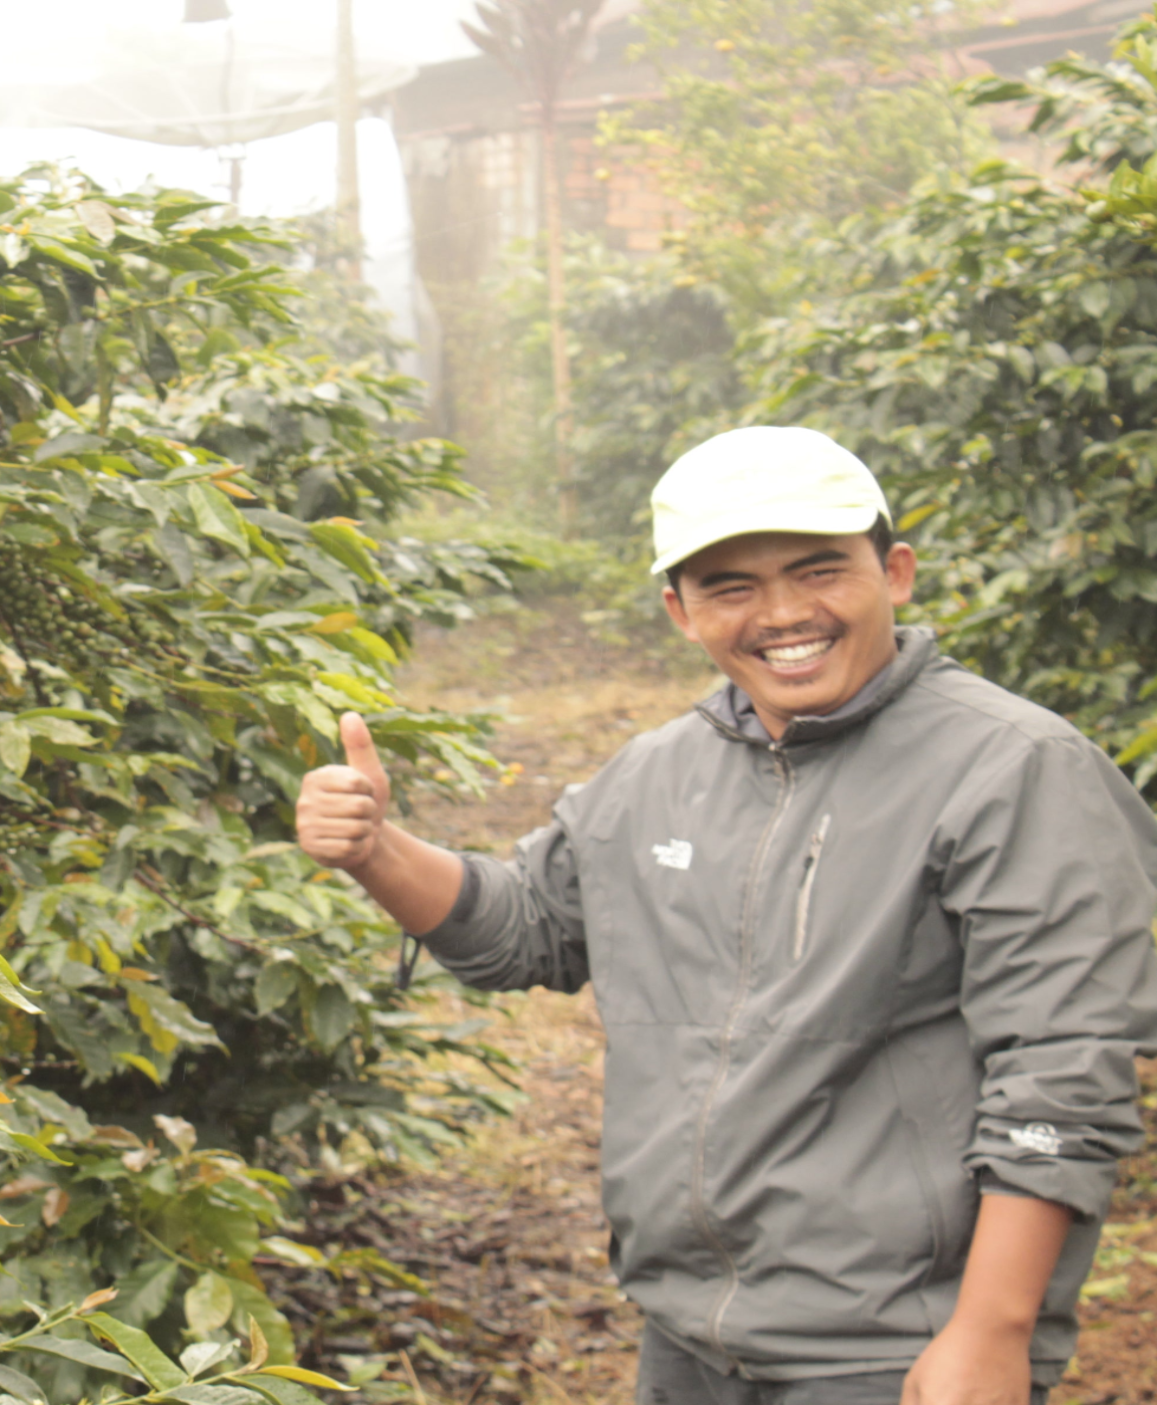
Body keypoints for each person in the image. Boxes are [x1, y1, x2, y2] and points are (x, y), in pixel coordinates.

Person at [296, 426, 1157, 1405]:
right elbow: (528, 924)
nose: (784, 612)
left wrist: (990, 1330)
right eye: (729, 585)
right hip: (689, 1334)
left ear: (896, 572)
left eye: (818, 569)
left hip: (893, 1349)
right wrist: (376, 849)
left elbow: (1059, 1076)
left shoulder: (1012, 767)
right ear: (679, 609)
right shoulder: (662, 770)